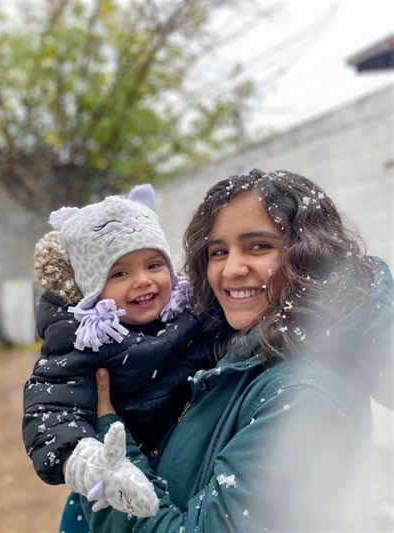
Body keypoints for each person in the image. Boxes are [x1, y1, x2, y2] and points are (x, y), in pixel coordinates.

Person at [80, 169, 393, 532]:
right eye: (218, 252)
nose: (230, 269)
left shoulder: (301, 394)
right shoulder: (242, 355)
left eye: (258, 245)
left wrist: (110, 459)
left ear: (310, 254)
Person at [22, 185, 209, 530]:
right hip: (111, 490)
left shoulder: (191, 315)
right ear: (93, 288)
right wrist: (87, 461)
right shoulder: (82, 341)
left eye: (154, 264)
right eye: (120, 273)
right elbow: (49, 414)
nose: (143, 281)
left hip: (176, 474)